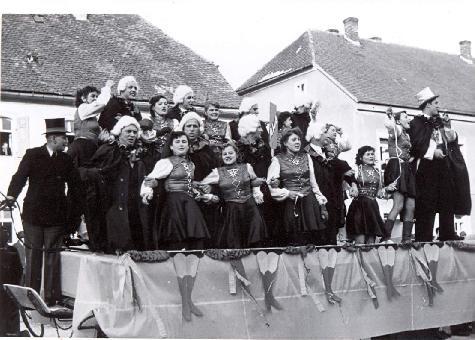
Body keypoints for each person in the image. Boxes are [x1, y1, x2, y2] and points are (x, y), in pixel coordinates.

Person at [5, 118, 83, 305]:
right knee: (34, 257)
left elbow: (75, 188)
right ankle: (31, 299)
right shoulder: (33, 155)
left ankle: (50, 299)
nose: (67, 142)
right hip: (33, 215)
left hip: (56, 217)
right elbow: (19, 177)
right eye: (64, 138)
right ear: (52, 138)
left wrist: (74, 214)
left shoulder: (66, 160)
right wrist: (11, 196)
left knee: (52, 257)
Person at [408, 87, 470, 241]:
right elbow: (416, 144)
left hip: (444, 166)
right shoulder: (416, 122)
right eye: (436, 103)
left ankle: (447, 233)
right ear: (427, 104)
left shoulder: (440, 122)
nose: (438, 105)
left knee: (447, 199)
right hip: (427, 167)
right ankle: (424, 237)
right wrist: (432, 152)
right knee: (427, 202)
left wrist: (448, 127)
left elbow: (451, 140)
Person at [88, 116, 150, 252]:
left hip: (135, 208)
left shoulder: (140, 154)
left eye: (135, 132)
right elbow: (97, 176)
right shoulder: (109, 150)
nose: (132, 135)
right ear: (119, 132)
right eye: (128, 131)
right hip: (114, 207)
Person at [141, 131, 210, 250]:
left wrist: (196, 189)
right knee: (177, 235)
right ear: (171, 146)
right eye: (177, 142)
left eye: (184, 142)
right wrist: (146, 192)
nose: (181, 144)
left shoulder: (191, 164)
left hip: (189, 202)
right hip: (174, 202)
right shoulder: (166, 162)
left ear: (188, 146)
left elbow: (186, 182)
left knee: (194, 234)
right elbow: (150, 178)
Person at [199, 142, 267, 248]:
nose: (227, 156)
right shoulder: (217, 172)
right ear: (221, 157)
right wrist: (210, 194)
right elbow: (202, 184)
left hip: (250, 207)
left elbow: (253, 182)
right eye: (224, 154)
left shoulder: (247, 167)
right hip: (232, 209)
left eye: (230, 153)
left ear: (237, 154)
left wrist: (261, 182)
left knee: (255, 237)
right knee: (235, 240)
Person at [267, 128, 328, 246]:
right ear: (285, 143)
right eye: (294, 140)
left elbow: (313, 183)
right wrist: (286, 193)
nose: (298, 142)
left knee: (312, 240)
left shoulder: (307, 157)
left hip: (309, 203)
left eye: (299, 139)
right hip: (290, 204)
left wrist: (321, 202)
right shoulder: (277, 159)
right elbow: (272, 186)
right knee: (294, 240)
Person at [305, 123, 357, 245]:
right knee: (317, 242)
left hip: (332, 204)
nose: (328, 137)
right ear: (317, 136)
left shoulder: (328, 155)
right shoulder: (306, 154)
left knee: (331, 243)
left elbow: (346, 169)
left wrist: (352, 183)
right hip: (315, 204)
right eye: (324, 133)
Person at [178, 112, 221, 246]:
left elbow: (218, 171)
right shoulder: (177, 148)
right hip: (184, 195)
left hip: (206, 196)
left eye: (195, 126)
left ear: (200, 129)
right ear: (183, 129)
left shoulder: (206, 149)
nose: (191, 129)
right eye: (188, 126)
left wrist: (212, 187)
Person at [383, 108, 416, 243]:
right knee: (399, 204)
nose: (408, 118)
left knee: (411, 205)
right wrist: (390, 118)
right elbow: (391, 127)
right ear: (398, 120)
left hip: (406, 168)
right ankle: (386, 237)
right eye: (405, 116)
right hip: (397, 167)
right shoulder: (397, 129)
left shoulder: (407, 135)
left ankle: (406, 239)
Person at [346, 146, 386, 244]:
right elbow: (347, 178)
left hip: (372, 206)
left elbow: (379, 192)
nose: (371, 156)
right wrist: (353, 185)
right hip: (360, 207)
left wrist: (386, 190)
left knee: (371, 241)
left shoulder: (377, 171)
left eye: (372, 154)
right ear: (361, 157)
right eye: (368, 154)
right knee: (360, 239)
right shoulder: (356, 168)